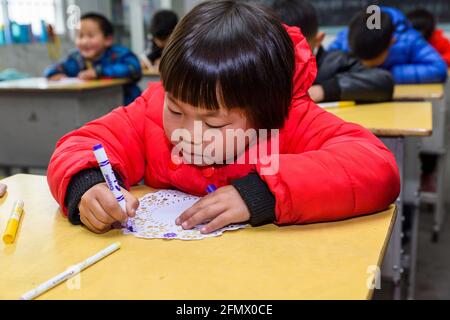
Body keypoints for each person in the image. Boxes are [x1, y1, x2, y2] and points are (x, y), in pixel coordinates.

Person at [47, 1, 400, 234]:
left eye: (214, 124)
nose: (187, 133)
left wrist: (262, 192)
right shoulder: (151, 108)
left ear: (265, 111)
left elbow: (376, 168)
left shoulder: (290, 119)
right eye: (176, 110)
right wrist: (86, 184)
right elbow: (82, 144)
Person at [272, 0, 393, 103]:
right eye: (278, 48)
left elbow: (382, 81)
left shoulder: (336, 62)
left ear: (318, 40)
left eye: (296, 48)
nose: (286, 56)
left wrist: (325, 90)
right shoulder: (267, 67)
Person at [328, 7, 447, 84]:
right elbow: (327, 62)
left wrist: (387, 75)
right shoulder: (349, 34)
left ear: (392, 42)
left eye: (373, 60)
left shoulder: (408, 39)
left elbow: (438, 68)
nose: (367, 66)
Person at [45, 13, 142, 105]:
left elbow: (134, 67)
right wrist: (54, 74)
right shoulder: (76, 59)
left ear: (108, 40)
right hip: (95, 106)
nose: (84, 41)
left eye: (91, 36)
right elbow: (53, 68)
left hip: (128, 107)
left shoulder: (118, 54)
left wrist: (98, 72)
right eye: (80, 36)